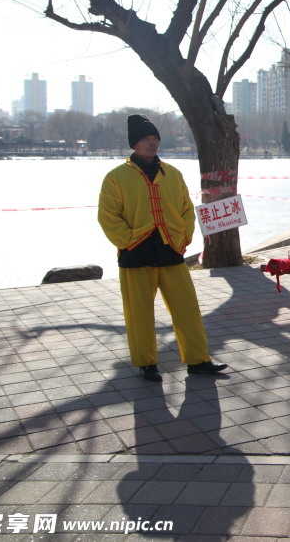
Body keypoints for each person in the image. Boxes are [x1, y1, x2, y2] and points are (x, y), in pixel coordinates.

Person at [98, 114, 228, 383]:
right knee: (139, 313)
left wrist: (182, 238)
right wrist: (128, 240)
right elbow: (108, 216)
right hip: (136, 254)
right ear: (134, 143)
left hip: (171, 250)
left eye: (155, 138)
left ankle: (198, 359)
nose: (152, 142)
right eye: (147, 138)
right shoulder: (116, 177)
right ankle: (146, 363)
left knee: (187, 309)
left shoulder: (172, 173)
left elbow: (186, 210)